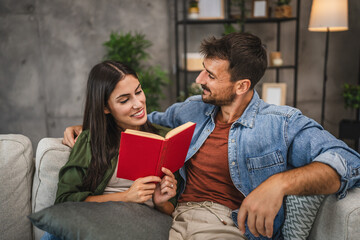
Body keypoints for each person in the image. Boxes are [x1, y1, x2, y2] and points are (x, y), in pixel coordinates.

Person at [63, 33, 360, 240]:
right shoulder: (193, 109)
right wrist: (87, 126)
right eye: (202, 70)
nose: (198, 80)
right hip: (172, 216)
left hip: (225, 223)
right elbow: (140, 122)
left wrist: (278, 184)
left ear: (242, 86)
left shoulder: (281, 124)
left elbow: (348, 161)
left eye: (210, 76)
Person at [43, 60, 178, 240]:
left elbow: (172, 210)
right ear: (106, 107)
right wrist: (126, 196)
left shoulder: (166, 139)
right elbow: (64, 201)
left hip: (143, 225)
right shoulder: (91, 140)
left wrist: (161, 203)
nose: (138, 104)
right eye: (124, 100)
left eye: (138, 91)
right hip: (97, 221)